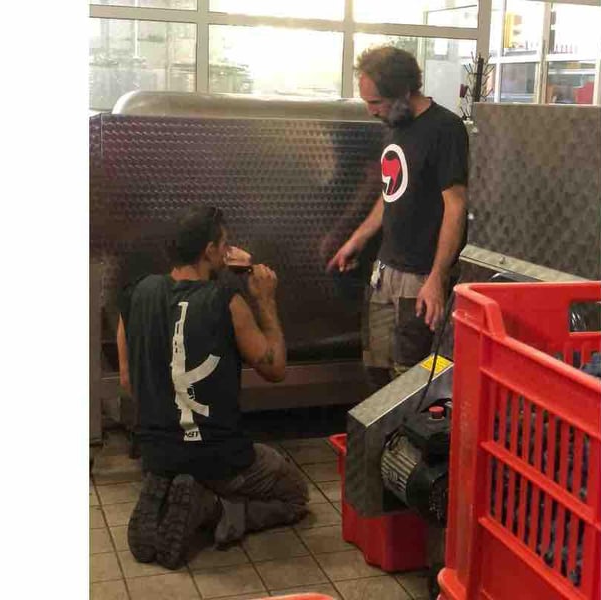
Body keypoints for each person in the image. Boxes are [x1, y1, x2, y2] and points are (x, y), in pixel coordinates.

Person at [122, 205, 309, 569]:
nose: (228, 251)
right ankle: (213, 508)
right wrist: (265, 299)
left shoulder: (135, 294)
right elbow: (276, 369)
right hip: (218, 458)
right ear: (209, 250)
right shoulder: (228, 302)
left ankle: (168, 489)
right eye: (223, 245)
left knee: (177, 462)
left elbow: (130, 382)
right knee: (295, 496)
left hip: (156, 454)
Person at [326, 46, 469, 384]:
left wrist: (437, 278)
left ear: (404, 92)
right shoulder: (396, 124)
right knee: (376, 369)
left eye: (376, 102)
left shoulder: (445, 129)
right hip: (385, 270)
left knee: (408, 378)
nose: (371, 111)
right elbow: (391, 192)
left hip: (419, 278)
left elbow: (456, 206)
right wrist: (356, 240)